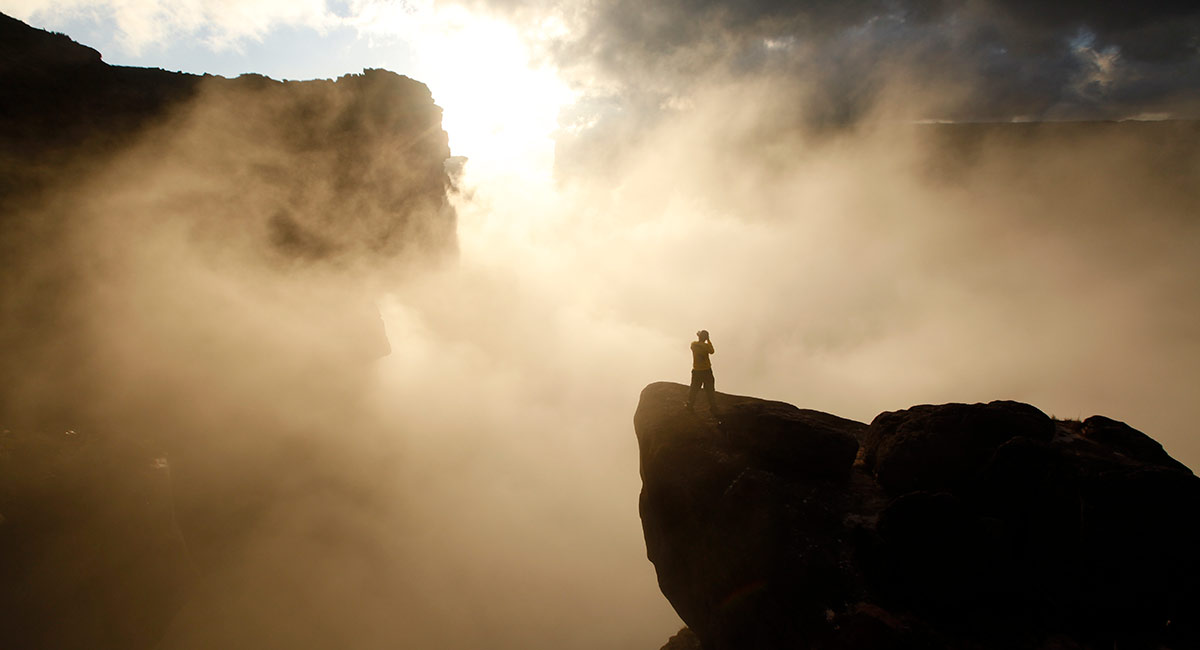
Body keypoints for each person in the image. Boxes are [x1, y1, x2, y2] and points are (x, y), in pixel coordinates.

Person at [686, 330, 718, 414]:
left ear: (699, 336)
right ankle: (713, 407)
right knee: (710, 389)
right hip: (706, 370)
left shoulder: (693, 344)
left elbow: (698, 343)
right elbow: (712, 351)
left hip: (696, 370)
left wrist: (700, 336)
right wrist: (708, 340)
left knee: (694, 389)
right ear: (706, 338)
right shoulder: (706, 346)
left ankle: (690, 405)